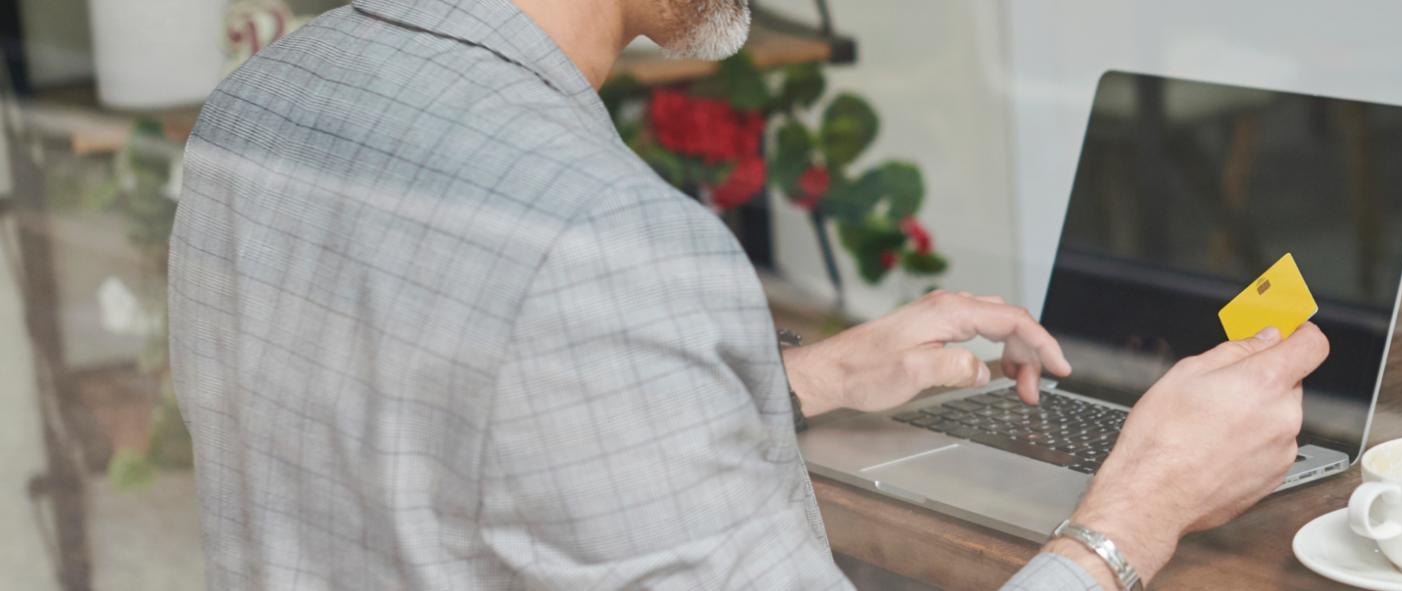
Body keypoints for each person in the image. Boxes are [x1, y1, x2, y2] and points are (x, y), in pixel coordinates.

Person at [168, 0, 1331, 589]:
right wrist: (1134, 513)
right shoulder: (610, 246)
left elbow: (443, 441)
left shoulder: (263, 104)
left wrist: (790, 382)